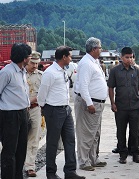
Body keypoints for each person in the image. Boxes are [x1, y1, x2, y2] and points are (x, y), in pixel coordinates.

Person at [37, 46, 85, 179]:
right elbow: (42, 94)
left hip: (65, 109)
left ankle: (70, 171)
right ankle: (51, 173)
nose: (71, 58)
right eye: (69, 56)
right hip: (53, 110)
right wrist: (44, 108)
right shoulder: (50, 73)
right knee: (52, 142)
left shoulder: (63, 71)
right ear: (64, 57)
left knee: (70, 140)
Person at [74, 37, 108, 171]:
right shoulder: (87, 63)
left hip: (97, 103)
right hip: (90, 104)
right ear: (94, 49)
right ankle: (83, 161)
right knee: (86, 133)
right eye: (99, 47)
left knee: (95, 133)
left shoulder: (94, 61)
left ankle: (93, 158)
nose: (101, 50)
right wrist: (89, 103)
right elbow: (83, 86)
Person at [108, 47, 139, 164]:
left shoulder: (137, 71)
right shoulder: (115, 71)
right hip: (120, 107)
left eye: (131, 57)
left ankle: (135, 154)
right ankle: (122, 155)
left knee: (135, 131)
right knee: (121, 131)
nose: (129, 59)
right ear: (121, 57)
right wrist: (112, 103)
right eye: (127, 57)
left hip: (135, 106)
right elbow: (111, 88)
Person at [0, 43, 32, 179]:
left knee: (21, 150)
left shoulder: (22, 71)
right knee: (9, 151)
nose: (31, 58)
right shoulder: (7, 72)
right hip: (9, 115)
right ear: (24, 58)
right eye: (29, 56)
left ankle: (18, 176)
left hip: (22, 113)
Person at [24, 51, 43, 177]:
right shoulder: (20, 74)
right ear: (27, 61)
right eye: (32, 63)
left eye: (37, 63)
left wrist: (30, 101)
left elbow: (42, 93)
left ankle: (30, 166)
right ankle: (20, 162)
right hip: (20, 109)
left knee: (34, 138)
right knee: (20, 138)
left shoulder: (41, 76)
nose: (35, 66)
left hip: (35, 108)